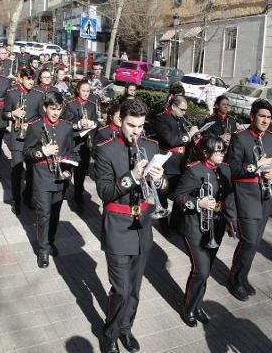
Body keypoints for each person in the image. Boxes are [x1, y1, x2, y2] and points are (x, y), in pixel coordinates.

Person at [95, 98, 167, 353]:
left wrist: (159, 182)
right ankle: (110, 333)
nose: (136, 131)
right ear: (119, 120)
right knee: (121, 289)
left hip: (143, 224)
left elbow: (164, 186)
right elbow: (104, 192)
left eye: (140, 126)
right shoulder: (105, 149)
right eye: (131, 125)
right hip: (117, 226)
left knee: (135, 289)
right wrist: (132, 177)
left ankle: (126, 328)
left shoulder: (151, 145)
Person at [173, 135, 237, 327]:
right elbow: (177, 196)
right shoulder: (193, 171)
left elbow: (228, 198)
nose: (221, 153)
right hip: (194, 227)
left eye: (222, 150)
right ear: (206, 152)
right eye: (217, 150)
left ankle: (197, 304)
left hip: (215, 227)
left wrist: (229, 222)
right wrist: (197, 202)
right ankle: (189, 308)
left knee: (206, 270)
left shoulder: (225, 169)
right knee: (200, 270)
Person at [225, 99, 272, 301]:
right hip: (246, 196)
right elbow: (231, 169)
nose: (266, 121)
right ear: (252, 116)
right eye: (262, 116)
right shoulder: (240, 138)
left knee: (256, 242)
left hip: (265, 198)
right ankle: (234, 279)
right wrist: (255, 166)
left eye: (268, 117)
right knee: (248, 241)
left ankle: (242, 276)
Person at [23, 91, 77, 268]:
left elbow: (72, 153)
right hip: (42, 178)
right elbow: (26, 153)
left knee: (55, 214)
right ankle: (43, 249)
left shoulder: (67, 127)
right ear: (45, 107)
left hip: (60, 178)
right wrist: (42, 152)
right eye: (52, 109)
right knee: (44, 214)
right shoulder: (36, 126)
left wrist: (69, 169)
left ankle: (50, 241)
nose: (56, 113)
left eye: (59, 109)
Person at [154, 95, 200, 232]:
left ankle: (175, 223)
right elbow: (170, 140)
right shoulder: (161, 118)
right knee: (163, 194)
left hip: (181, 163)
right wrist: (189, 135)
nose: (184, 113)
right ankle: (163, 225)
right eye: (182, 110)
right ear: (173, 106)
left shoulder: (181, 119)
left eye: (185, 110)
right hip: (167, 163)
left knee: (180, 194)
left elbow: (185, 139)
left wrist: (196, 136)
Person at [2, 69, 44, 215]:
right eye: (28, 79)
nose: (31, 82)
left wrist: (32, 125)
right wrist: (13, 113)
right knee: (17, 170)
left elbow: (41, 117)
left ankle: (27, 197)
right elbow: (3, 114)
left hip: (32, 138)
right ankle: (16, 200)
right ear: (20, 79)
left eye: (33, 79)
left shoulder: (39, 95)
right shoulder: (11, 93)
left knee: (32, 172)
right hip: (17, 138)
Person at [62, 80, 98, 208]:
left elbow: (96, 121)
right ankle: (60, 194)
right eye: (83, 91)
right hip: (72, 143)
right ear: (78, 90)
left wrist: (91, 123)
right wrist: (78, 124)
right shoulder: (70, 103)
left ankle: (78, 198)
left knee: (80, 174)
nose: (86, 93)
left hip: (84, 143)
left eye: (88, 91)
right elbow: (65, 123)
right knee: (66, 172)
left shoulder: (92, 105)